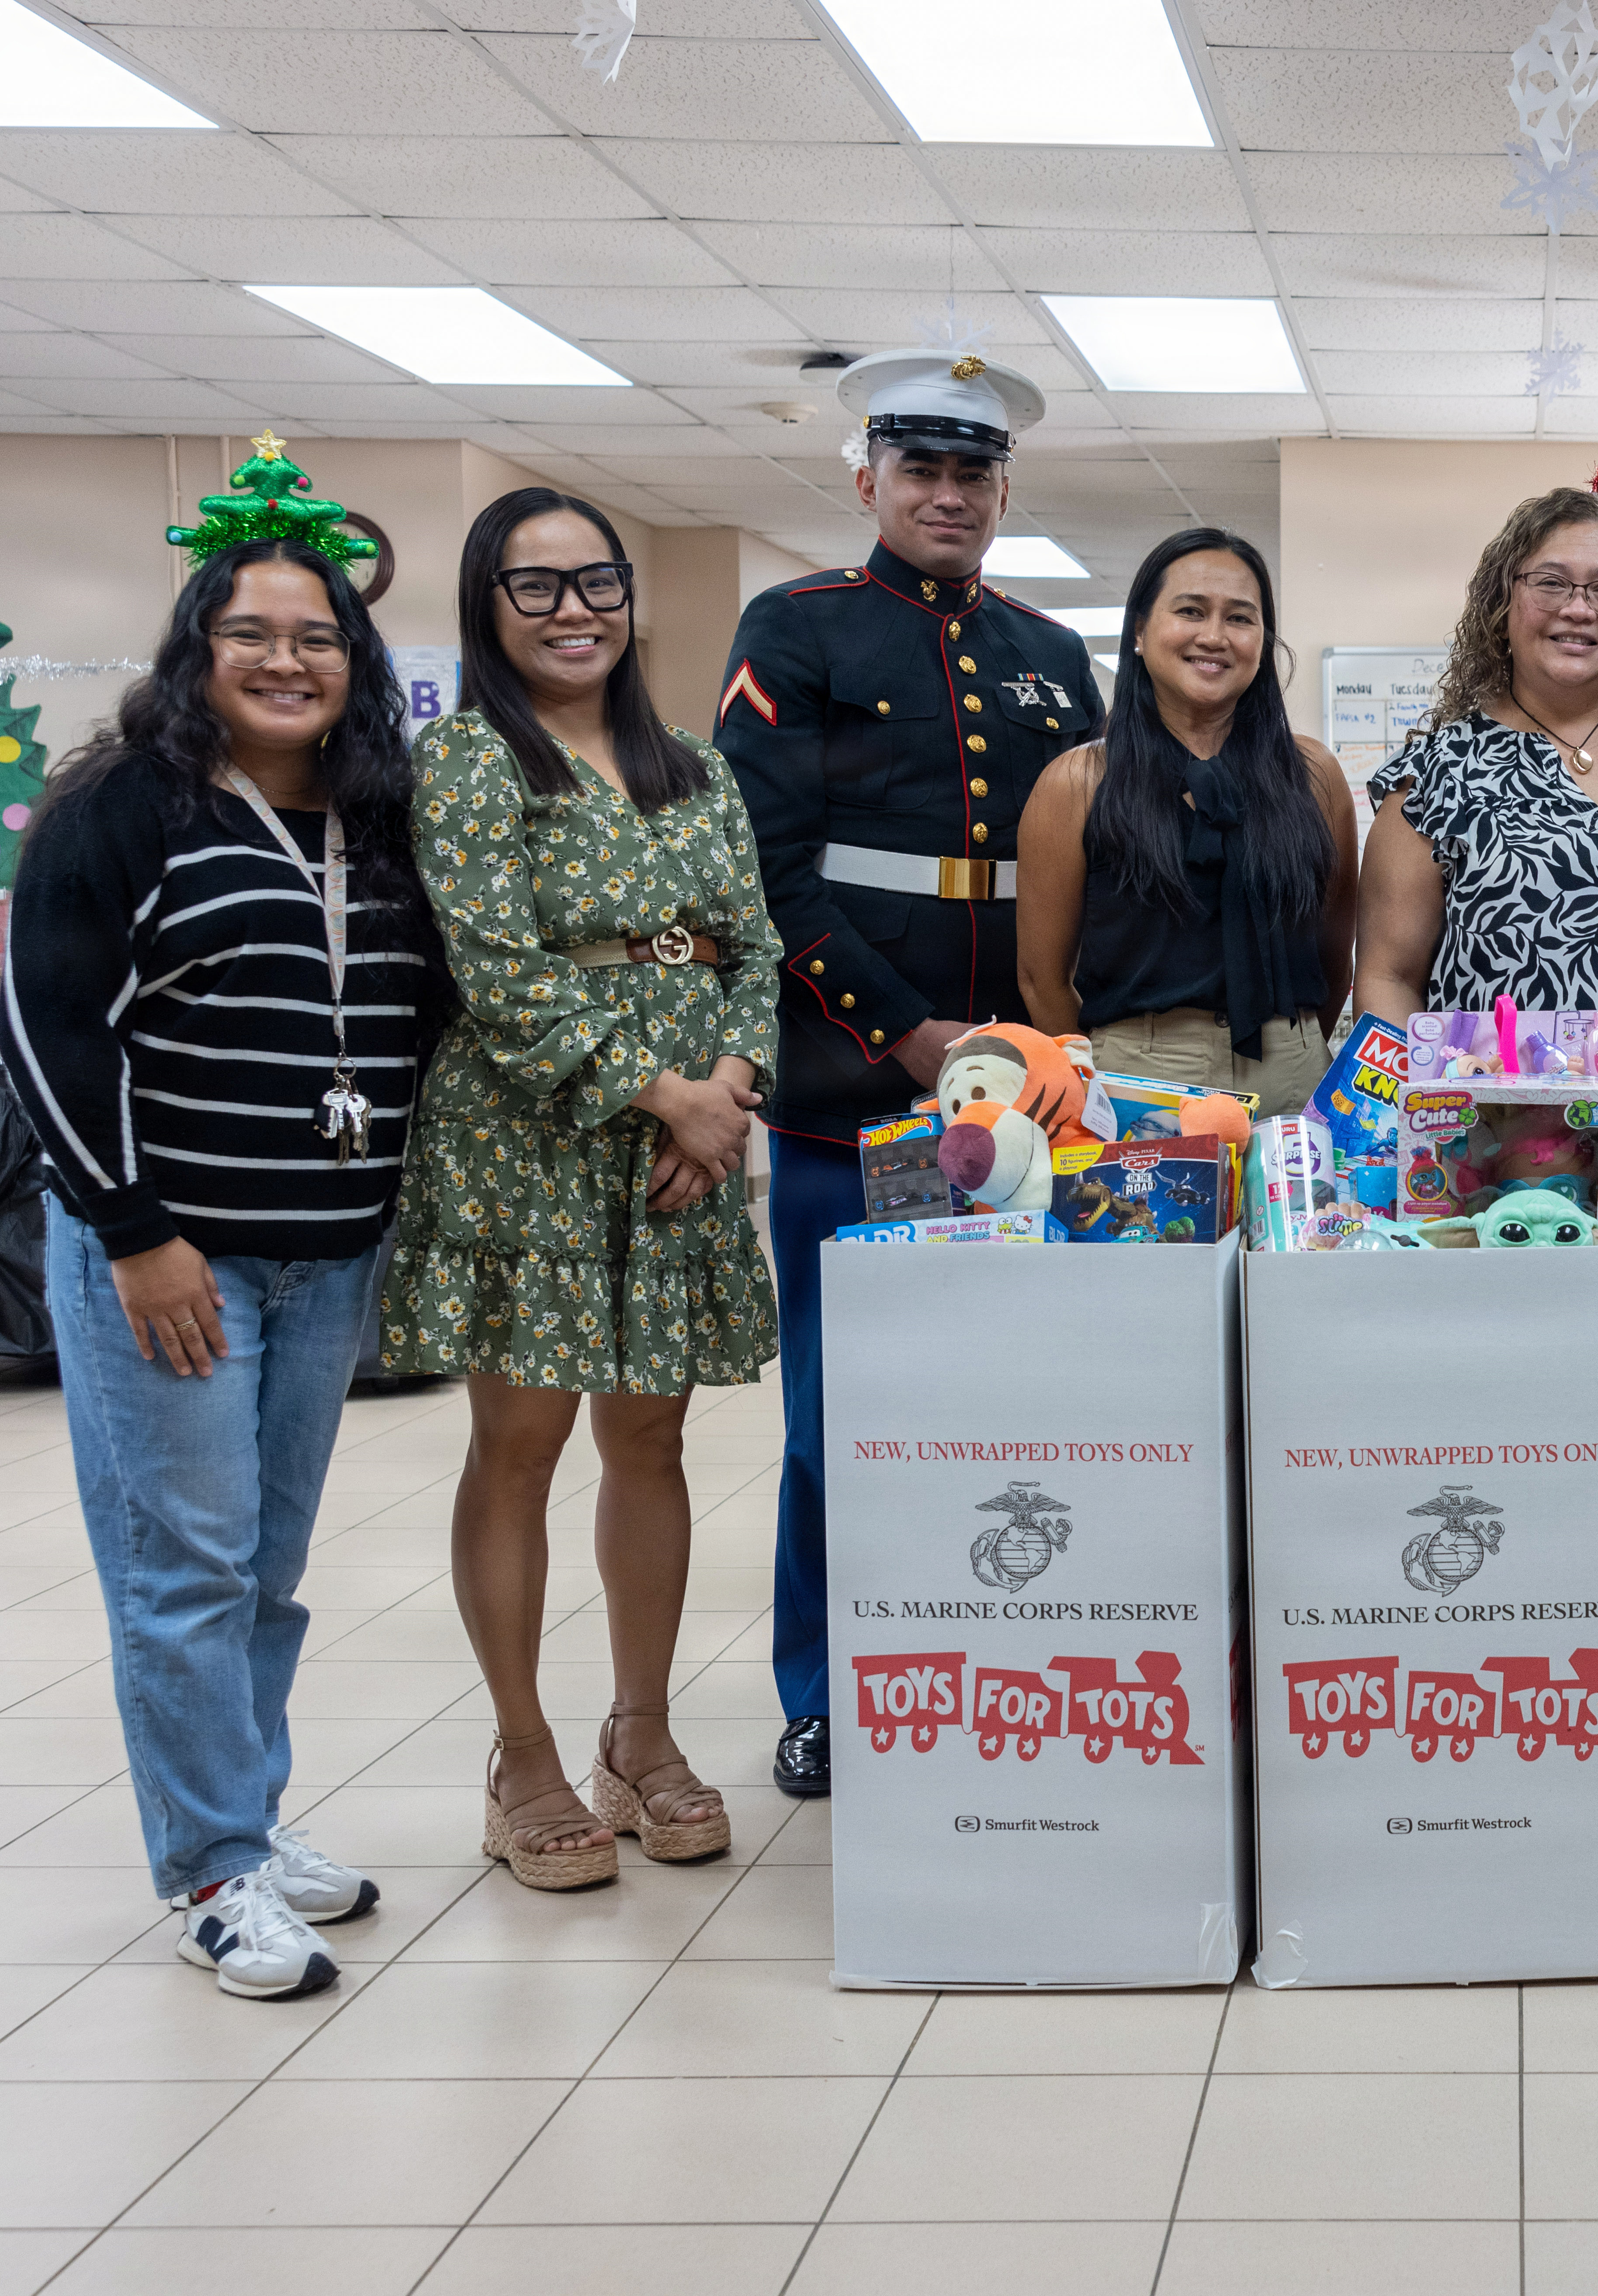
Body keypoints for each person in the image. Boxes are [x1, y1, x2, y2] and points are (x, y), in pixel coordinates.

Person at [0, 460, 439, 1998]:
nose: (284, 660)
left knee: (266, 1564)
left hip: (326, 1249)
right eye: (249, 632)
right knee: (182, 1566)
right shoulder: (121, 805)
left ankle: (243, 1814)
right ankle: (213, 1869)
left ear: (353, 659)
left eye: (316, 637)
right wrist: (131, 1227)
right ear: (196, 648)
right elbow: (46, 1028)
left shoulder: (382, 815)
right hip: (168, 1254)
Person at [715, 348, 1105, 1799]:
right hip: (855, 1093)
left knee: (1022, 1404)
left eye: (973, 471)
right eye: (919, 468)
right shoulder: (798, 626)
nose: (947, 493)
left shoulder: (1052, 656)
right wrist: (902, 1031)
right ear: (865, 476)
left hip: (1027, 1100)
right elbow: (761, 867)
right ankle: (822, 1685)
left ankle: (994, 1649)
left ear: (1005, 488)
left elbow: (1083, 865)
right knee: (840, 1410)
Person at [380, 489, 782, 1890]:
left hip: (686, 1151)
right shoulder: (470, 762)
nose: (572, 611)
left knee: (651, 1443)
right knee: (522, 1443)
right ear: (487, 605)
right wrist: (660, 1090)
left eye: (594, 581)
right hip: (529, 1141)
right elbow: (498, 970)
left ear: (630, 595)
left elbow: (752, 948)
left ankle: (641, 1734)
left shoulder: (697, 770)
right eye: (534, 587)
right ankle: (522, 1754)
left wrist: (724, 1092)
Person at [1353, 487, 1598, 1075]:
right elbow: (1389, 979)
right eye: (1551, 582)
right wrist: (1435, 1123)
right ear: (1503, 604)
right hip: (1494, 1141)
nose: (1579, 608)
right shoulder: (1438, 776)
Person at [1015, 526, 1356, 1110]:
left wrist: (1291, 1051)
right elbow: (1042, 979)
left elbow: (1333, 956)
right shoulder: (1077, 782)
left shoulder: (1315, 775)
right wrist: (1103, 1084)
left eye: (1241, 618)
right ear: (1142, 632)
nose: (1215, 637)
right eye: (1191, 611)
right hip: (1137, 1080)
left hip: (1295, 1076)